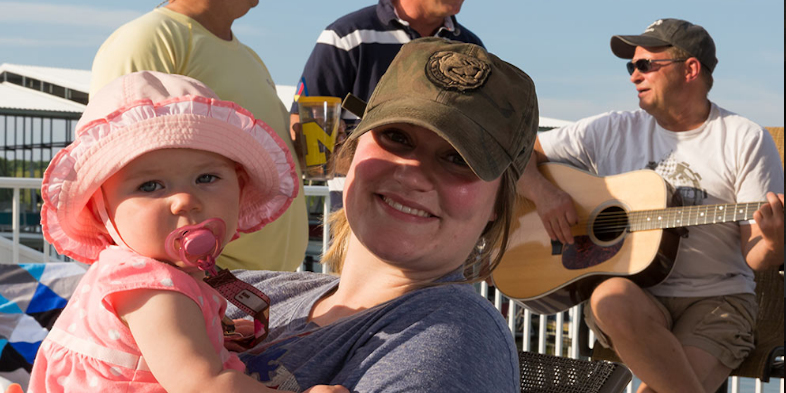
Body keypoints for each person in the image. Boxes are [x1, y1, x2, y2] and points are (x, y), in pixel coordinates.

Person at [225, 37, 538, 392]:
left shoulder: (453, 335)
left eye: (457, 159)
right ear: (354, 146)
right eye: (396, 136)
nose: (413, 173)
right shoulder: (262, 291)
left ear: (498, 201)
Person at [28, 71, 347, 393]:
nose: (185, 201)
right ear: (102, 211)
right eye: (150, 185)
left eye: (207, 178)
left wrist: (212, 333)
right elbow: (203, 386)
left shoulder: (143, 274)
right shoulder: (154, 290)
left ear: (239, 185)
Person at [519, 19, 784, 393]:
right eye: (631, 66)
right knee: (608, 297)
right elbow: (519, 153)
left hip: (715, 303)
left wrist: (773, 240)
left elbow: (758, 257)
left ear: (690, 69)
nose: (633, 76)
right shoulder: (611, 129)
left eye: (644, 65)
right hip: (635, 301)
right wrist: (545, 195)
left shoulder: (744, 138)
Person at [90, 0, 309, 272]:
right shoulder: (151, 37)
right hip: (203, 280)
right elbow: (115, 157)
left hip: (255, 284)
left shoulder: (248, 55)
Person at [289, 0, 483, 209]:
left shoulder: (473, 51)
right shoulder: (347, 36)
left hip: (436, 217)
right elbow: (305, 138)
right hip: (355, 218)